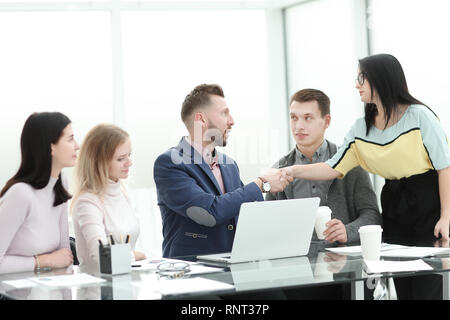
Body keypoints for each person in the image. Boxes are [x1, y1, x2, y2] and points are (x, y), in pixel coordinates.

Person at [284, 53, 450, 299]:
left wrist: (446, 215)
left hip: (429, 203)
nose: (356, 84)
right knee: (403, 287)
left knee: (429, 289)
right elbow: (333, 167)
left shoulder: (420, 116)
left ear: (381, 79)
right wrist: (291, 170)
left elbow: (444, 166)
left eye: (362, 78)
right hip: (394, 204)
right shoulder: (362, 127)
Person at [266, 88, 381, 299]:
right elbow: (268, 229)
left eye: (308, 118)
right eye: (294, 118)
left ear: (326, 121)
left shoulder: (349, 164)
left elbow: (372, 215)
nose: (299, 125)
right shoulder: (279, 170)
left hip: (345, 273)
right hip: (297, 274)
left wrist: (348, 230)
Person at [154, 84, 292, 258]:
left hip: (232, 271)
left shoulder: (229, 165)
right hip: (191, 274)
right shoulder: (169, 163)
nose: (232, 121)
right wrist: (262, 183)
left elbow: (244, 212)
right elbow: (208, 213)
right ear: (201, 120)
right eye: (224, 113)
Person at [0, 112, 78, 274]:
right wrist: (43, 261)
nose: (77, 145)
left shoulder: (60, 183)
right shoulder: (21, 194)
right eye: (70, 139)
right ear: (51, 147)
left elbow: (64, 257)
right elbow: (55, 260)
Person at [71, 124, 146, 267]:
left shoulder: (122, 192)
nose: (129, 163)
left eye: (129, 155)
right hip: (99, 286)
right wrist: (135, 256)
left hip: (126, 279)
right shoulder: (87, 202)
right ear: (99, 162)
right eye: (120, 159)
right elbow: (101, 256)